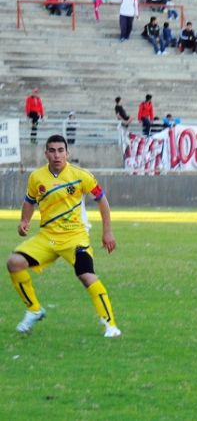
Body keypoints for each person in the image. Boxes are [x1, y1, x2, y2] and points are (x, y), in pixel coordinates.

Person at [6, 135, 121, 337]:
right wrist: (24, 221)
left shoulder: (81, 175)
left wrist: (107, 232)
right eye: (52, 150)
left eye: (61, 150)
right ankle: (34, 309)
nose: (56, 155)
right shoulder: (36, 177)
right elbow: (29, 201)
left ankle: (111, 325)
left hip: (75, 237)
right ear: (46, 154)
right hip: (47, 237)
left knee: (86, 275)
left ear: (67, 153)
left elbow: (102, 201)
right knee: (14, 262)